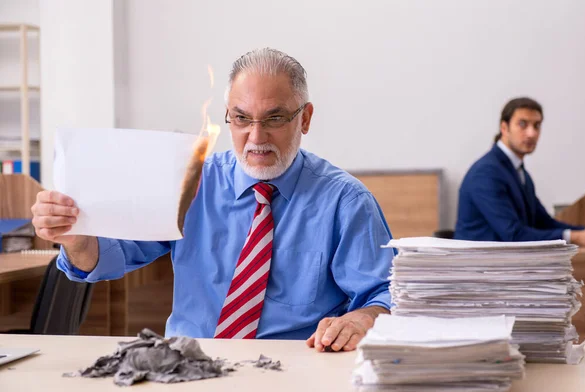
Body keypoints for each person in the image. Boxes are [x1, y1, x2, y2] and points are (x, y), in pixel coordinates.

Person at [31, 48, 394, 352]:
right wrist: (77, 239)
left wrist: (362, 318)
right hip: (191, 366)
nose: (256, 137)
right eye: (241, 118)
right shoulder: (191, 183)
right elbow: (110, 256)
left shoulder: (346, 201)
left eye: (275, 118)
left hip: (296, 368)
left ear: (305, 119)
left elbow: (385, 293)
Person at [455, 97, 585, 245]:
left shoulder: (519, 172)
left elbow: (543, 222)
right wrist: (576, 237)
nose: (531, 133)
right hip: (481, 266)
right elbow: (513, 234)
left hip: (506, 263)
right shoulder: (486, 173)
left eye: (536, 125)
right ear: (504, 128)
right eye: (522, 124)